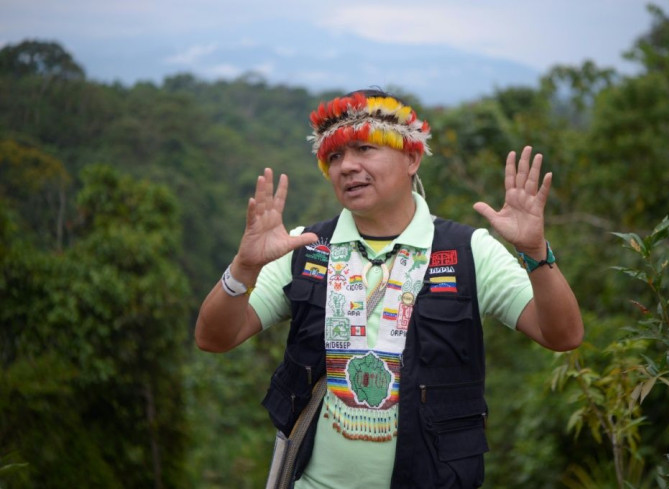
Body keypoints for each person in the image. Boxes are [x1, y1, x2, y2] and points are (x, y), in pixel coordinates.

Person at [195, 89, 584, 488]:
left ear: (412, 158)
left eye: (364, 148)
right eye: (334, 156)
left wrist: (535, 252)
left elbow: (563, 334)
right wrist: (244, 267)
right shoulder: (305, 248)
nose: (347, 166)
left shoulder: (468, 251)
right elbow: (214, 337)